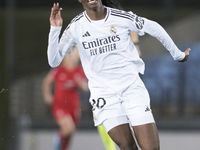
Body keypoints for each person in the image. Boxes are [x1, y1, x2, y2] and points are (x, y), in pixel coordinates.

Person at [47, 1, 191, 150]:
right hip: (104, 96)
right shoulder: (76, 27)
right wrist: (55, 29)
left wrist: (178, 54)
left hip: (132, 89)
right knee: (127, 146)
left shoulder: (120, 17)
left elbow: (154, 27)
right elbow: (54, 61)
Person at [42, 45, 88, 150]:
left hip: (74, 107)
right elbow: (47, 82)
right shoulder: (59, 71)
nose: (70, 59)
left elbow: (86, 88)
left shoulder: (79, 71)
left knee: (70, 133)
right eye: (68, 57)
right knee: (68, 128)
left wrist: (80, 83)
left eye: (72, 57)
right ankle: (56, 140)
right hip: (60, 105)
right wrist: (47, 95)